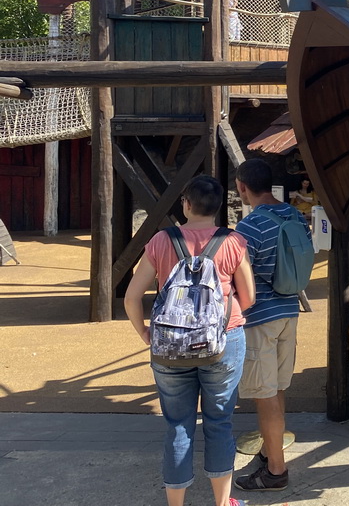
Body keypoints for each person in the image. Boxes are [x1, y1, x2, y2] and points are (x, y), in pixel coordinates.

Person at [124, 175, 255, 506]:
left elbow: (131, 297)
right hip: (222, 342)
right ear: (218, 208)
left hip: (169, 346)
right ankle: (223, 502)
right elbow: (249, 297)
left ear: (186, 203)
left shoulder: (160, 241)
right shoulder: (233, 242)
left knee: (178, 427)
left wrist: (145, 332)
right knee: (219, 422)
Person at [233, 158, 308, 493]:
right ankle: (269, 451)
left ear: (242, 187)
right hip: (289, 312)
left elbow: (236, 278)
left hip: (259, 318)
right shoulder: (295, 216)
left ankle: (275, 472)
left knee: (264, 396)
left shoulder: (248, 228)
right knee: (277, 389)